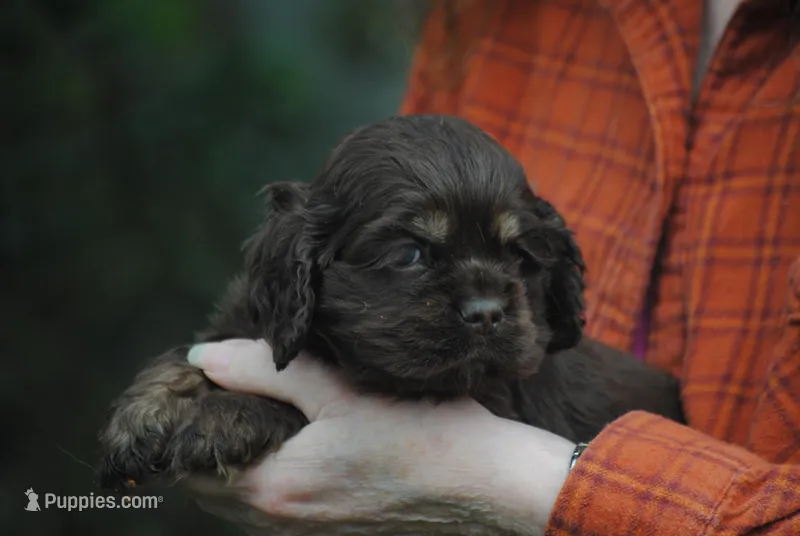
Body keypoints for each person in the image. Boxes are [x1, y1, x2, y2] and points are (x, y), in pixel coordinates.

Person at [184, 1, 800, 534]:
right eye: (412, 256)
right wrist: (198, 390)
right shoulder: (490, 15)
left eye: (518, 257)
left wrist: (510, 481)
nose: (484, 303)